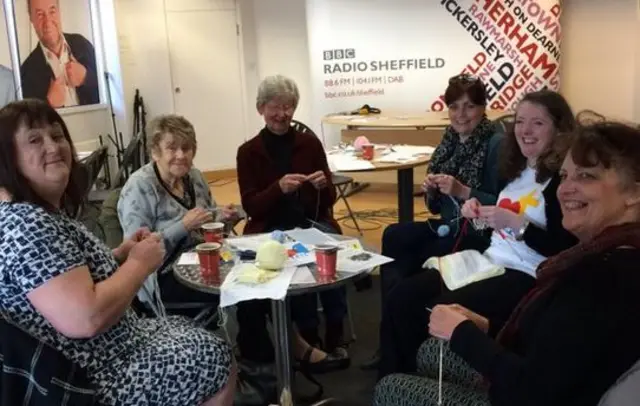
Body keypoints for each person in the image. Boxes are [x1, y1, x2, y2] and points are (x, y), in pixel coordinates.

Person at [374, 120, 640, 406]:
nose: (565, 190)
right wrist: (485, 325)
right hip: (543, 367)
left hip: (529, 392)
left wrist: (462, 333)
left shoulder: (602, 276)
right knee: (428, 348)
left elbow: (530, 389)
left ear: (634, 194)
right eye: (564, 176)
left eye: (587, 176)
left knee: (390, 388)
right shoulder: (602, 255)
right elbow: (557, 344)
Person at [0, 99, 235, 405]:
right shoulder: (27, 225)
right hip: (97, 374)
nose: (54, 147)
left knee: (208, 329)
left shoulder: (41, 215)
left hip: (118, 343)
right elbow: (85, 317)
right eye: (35, 139)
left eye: (57, 136)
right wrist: (137, 264)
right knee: (217, 357)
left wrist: (122, 253)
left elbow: (67, 277)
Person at [377, 90, 578, 379]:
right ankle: (392, 385)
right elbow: (499, 228)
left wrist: (516, 224)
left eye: (538, 123)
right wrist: (480, 212)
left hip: (524, 273)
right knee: (402, 296)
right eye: (520, 122)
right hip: (490, 259)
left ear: (559, 130)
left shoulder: (561, 180)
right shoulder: (518, 170)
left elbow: (562, 246)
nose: (525, 131)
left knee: (432, 309)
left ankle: (415, 380)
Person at [363, 73, 504, 370]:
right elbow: (435, 206)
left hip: (478, 235)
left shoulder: (496, 143)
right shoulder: (449, 138)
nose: (460, 115)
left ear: (483, 107)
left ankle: (398, 338)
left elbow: (501, 202)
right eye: (454, 107)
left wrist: (461, 190)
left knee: (405, 275)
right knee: (393, 236)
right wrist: (431, 190)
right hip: (449, 225)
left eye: (468, 107)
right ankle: (393, 334)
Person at [235, 74, 349, 370]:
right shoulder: (248, 152)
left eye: (288, 107)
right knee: (292, 260)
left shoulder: (309, 144)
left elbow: (328, 202)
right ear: (261, 108)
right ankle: (307, 339)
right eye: (275, 106)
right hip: (268, 228)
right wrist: (278, 188)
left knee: (332, 256)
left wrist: (325, 186)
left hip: (310, 222)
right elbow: (251, 207)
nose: (282, 114)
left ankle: (336, 334)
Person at [118, 114, 240, 316]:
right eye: (172, 148)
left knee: (251, 276)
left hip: (205, 262)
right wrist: (182, 226)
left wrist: (224, 220)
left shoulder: (195, 177)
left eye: (187, 148)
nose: (181, 155)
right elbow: (136, 251)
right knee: (240, 289)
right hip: (163, 275)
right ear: (156, 152)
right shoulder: (139, 187)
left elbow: (208, 221)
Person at [21, 0, 99, 107]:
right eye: (40, 15)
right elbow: (29, 121)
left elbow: (110, 90)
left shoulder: (82, 45)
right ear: (31, 19)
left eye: (52, 12)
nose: (47, 21)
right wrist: (49, 104)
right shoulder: (26, 72)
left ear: (59, 12)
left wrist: (86, 78)